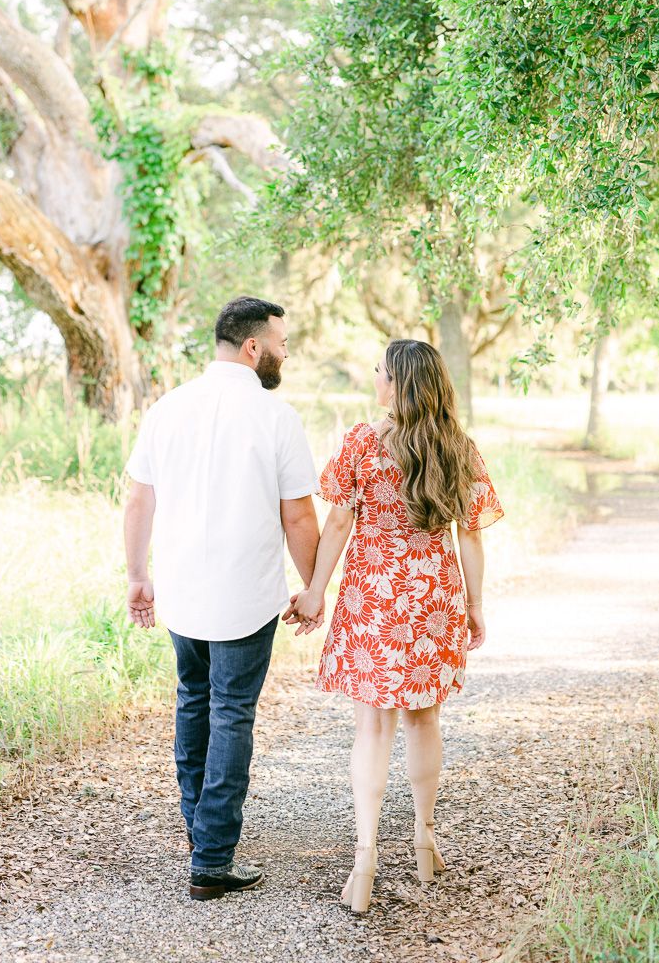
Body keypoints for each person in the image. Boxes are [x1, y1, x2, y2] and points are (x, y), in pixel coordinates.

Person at [291, 339, 504, 913]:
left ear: (400, 384)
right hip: (434, 596)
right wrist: (475, 604)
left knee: (373, 728)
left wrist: (315, 592)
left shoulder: (362, 441)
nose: (375, 379)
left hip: (374, 594)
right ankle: (424, 837)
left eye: (381, 372)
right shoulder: (458, 447)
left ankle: (365, 858)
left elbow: (337, 523)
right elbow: (472, 534)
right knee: (424, 718)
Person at [124, 296, 320, 901]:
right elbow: (299, 518)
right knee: (232, 711)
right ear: (252, 347)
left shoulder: (167, 409)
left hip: (183, 591)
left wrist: (138, 575)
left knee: (193, 701)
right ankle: (210, 858)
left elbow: (138, 500)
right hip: (245, 595)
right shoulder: (276, 417)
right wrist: (313, 588)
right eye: (282, 343)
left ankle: (199, 832)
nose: (286, 353)